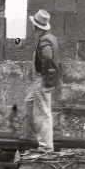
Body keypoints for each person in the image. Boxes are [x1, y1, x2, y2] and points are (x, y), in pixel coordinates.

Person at [24, 10, 61, 152]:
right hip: (43, 79)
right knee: (29, 102)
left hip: (43, 79)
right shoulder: (50, 37)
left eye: (33, 25)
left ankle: (46, 146)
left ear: (36, 27)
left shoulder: (45, 40)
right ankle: (30, 135)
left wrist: (45, 77)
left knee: (43, 113)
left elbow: (47, 57)